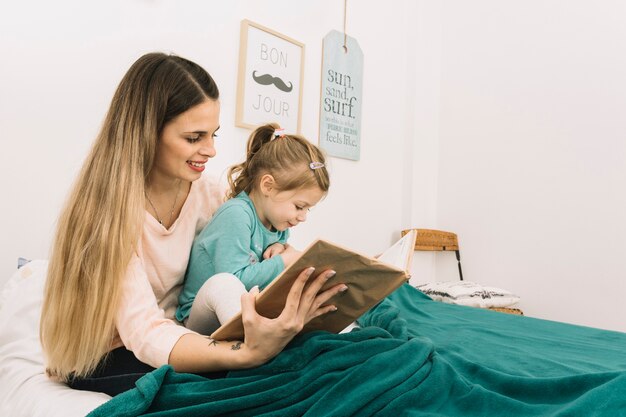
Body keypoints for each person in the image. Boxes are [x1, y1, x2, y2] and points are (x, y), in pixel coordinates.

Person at [39, 52, 345, 396]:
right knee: (237, 385)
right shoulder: (104, 215)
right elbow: (144, 333)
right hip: (105, 354)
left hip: (179, 332)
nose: (211, 150)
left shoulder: (209, 194)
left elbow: (239, 270)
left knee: (303, 366)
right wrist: (245, 354)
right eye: (194, 137)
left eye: (213, 134)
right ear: (147, 133)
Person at [176, 123, 331, 335]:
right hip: (201, 315)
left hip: (248, 311)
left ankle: (266, 338)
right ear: (267, 186)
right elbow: (235, 279)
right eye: (299, 206)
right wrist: (285, 260)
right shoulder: (237, 214)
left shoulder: (279, 225)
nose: (302, 217)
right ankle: (256, 346)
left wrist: (282, 248)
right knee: (225, 284)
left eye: (307, 210)